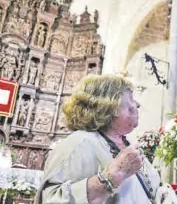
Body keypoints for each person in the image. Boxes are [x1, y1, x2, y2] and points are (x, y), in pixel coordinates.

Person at [34, 75, 160, 204]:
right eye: (131, 99)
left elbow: (151, 190)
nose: (137, 105)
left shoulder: (127, 143)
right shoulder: (79, 143)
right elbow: (50, 200)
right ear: (110, 105)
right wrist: (112, 176)